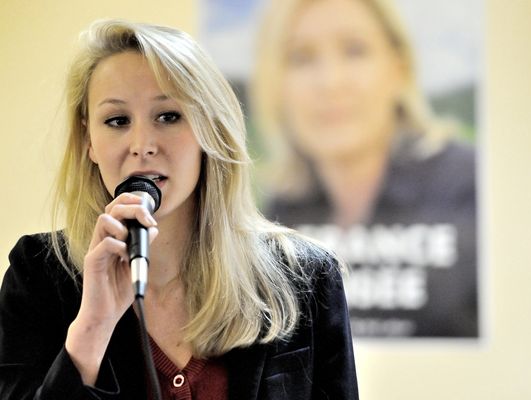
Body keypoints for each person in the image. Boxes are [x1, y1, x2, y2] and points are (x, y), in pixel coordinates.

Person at [0, 19, 358, 399]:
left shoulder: (304, 275)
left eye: (168, 116)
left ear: (211, 130)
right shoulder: (38, 274)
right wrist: (93, 325)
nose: (142, 145)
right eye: (117, 120)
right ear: (89, 141)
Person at [252, 0, 478, 337]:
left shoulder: (467, 184)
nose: (330, 82)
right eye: (301, 57)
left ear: (399, 68)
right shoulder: (279, 213)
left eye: (355, 50)